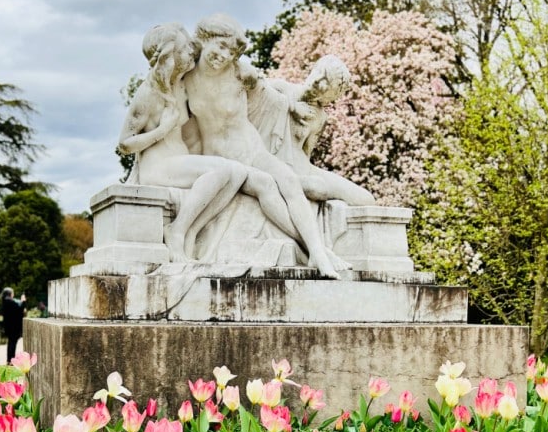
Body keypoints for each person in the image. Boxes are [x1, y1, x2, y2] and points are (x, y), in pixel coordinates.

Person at [184, 14, 346, 278]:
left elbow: (269, 96)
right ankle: (316, 250)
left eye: (230, 51)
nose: (222, 56)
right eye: (219, 46)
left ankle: (317, 251)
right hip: (224, 159)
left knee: (290, 181)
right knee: (267, 186)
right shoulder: (186, 78)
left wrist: (293, 107)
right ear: (205, 40)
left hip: (252, 149)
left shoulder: (239, 72)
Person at [117, 23, 293, 263]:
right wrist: (162, 130)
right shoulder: (148, 93)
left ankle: (189, 231)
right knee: (222, 169)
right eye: (185, 49)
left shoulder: (181, 84)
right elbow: (125, 143)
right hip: (158, 167)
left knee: (238, 172)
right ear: (170, 55)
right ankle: (177, 230)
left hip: (179, 162)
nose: (192, 52)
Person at [249, 55, 376, 206]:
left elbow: (306, 152)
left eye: (325, 83)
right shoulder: (281, 89)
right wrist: (292, 107)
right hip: (270, 163)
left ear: (330, 97)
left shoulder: (320, 117)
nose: (317, 80)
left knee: (365, 199)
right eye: (319, 72)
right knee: (316, 188)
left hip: (302, 169)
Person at [1, 287, 27, 364]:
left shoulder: (6, 301)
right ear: (9, 294)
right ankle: (11, 360)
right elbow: (19, 309)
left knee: (11, 343)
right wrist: (23, 301)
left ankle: (9, 359)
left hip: (9, 326)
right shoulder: (9, 301)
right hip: (13, 327)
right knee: (12, 343)